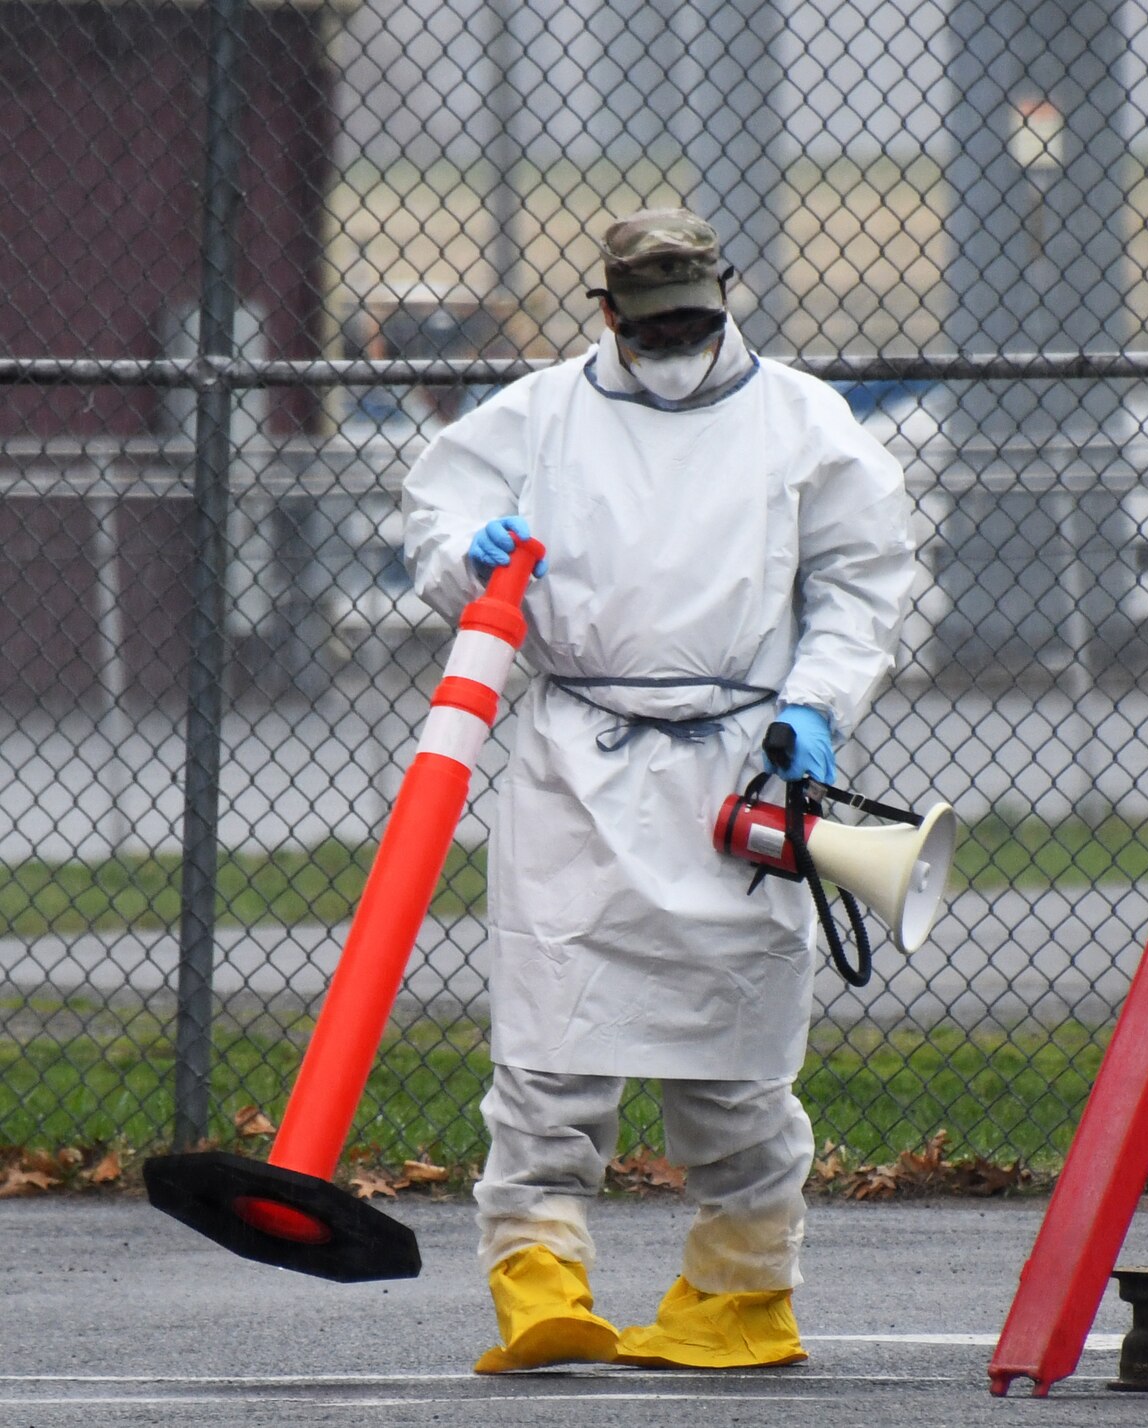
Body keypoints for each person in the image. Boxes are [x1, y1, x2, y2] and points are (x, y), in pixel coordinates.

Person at [400, 206, 915, 1374]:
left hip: (738, 764)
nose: (677, 341)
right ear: (608, 316)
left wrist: (814, 705)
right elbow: (435, 515)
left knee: (734, 1057)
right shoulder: (538, 415)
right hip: (573, 764)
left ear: (727, 297)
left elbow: (860, 577)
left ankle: (740, 1296)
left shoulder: (801, 421)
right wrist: (464, 554)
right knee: (547, 1049)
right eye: (655, 323)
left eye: (694, 317)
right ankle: (539, 1281)